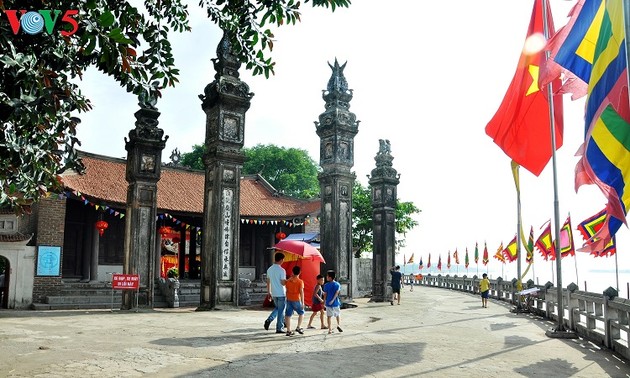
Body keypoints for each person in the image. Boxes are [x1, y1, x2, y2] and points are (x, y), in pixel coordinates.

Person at [264, 253, 287, 334]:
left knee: (278, 308)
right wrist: (289, 280)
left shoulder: (269, 269)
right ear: (281, 260)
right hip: (281, 292)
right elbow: (283, 283)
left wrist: (269, 292)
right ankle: (279, 327)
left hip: (274, 293)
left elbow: (268, 282)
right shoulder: (282, 270)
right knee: (281, 311)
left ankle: (271, 319)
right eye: (283, 259)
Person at [284, 265, 305, 336]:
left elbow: (286, 287)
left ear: (292, 272)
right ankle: (298, 327)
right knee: (301, 313)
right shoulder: (300, 281)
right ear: (300, 272)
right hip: (296, 299)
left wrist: (290, 278)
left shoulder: (288, 281)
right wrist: (303, 302)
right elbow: (301, 292)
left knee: (288, 315)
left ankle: (288, 330)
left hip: (289, 299)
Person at [323, 270, 342, 334]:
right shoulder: (337, 284)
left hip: (328, 303)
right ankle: (338, 325)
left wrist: (324, 302)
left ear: (330, 277)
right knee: (337, 315)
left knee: (329, 316)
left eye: (327, 276)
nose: (326, 277)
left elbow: (325, 294)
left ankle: (330, 329)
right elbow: (337, 293)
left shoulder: (326, 285)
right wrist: (333, 300)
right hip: (336, 302)